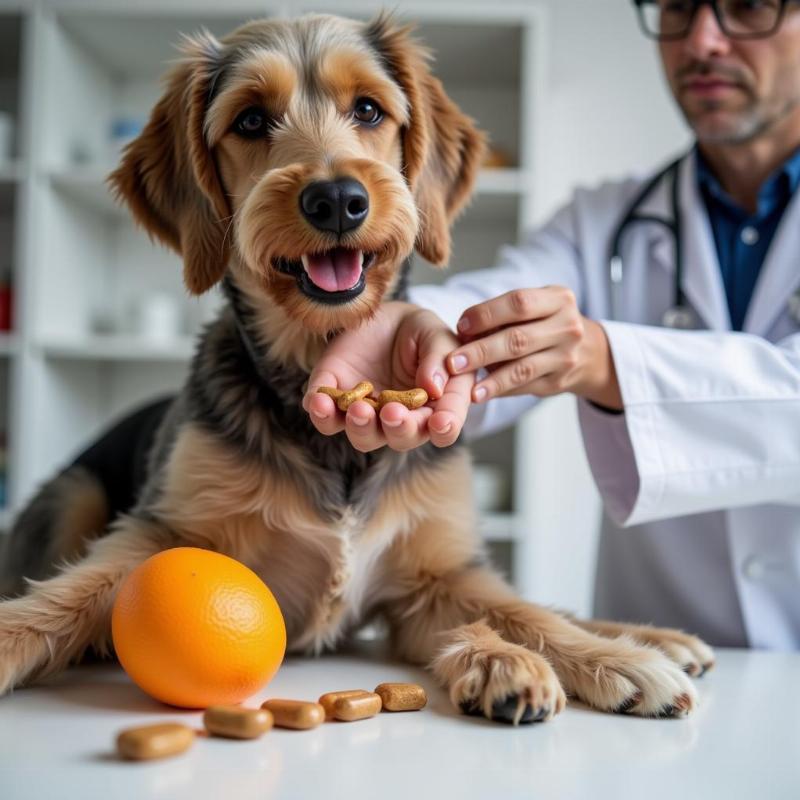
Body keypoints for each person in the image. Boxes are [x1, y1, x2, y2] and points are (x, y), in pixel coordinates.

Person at [303, 0, 800, 650]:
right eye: (677, 9)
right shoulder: (605, 219)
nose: (702, 40)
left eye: (747, 6)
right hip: (661, 666)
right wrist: (414, 331)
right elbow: (503, 298)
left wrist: (604, 360)